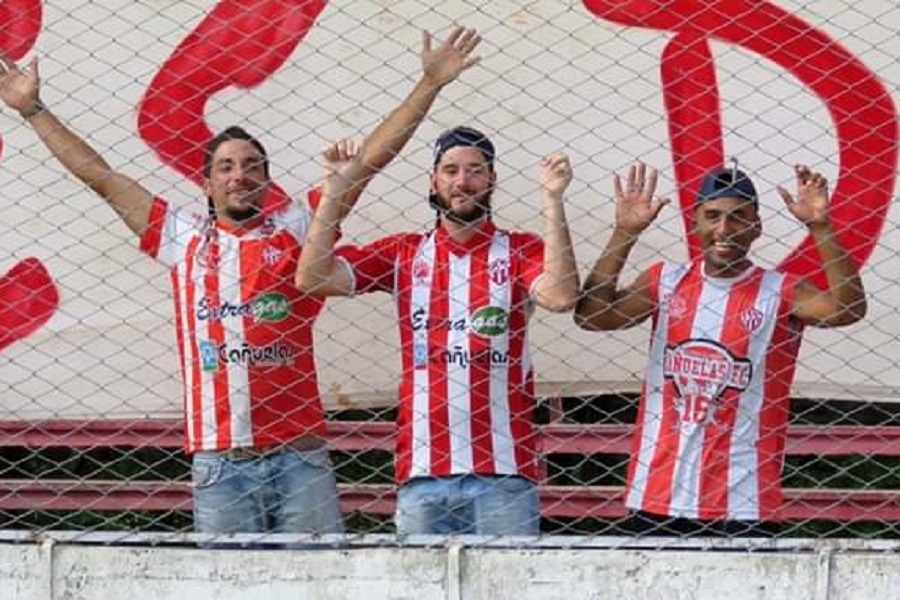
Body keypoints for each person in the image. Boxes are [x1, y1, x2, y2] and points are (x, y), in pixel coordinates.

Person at [0, 26, 482, 534]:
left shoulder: (297, 227)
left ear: (267, 179)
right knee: (226, 577)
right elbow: (101, 177)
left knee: (319, 576)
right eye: (226, 167)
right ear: (207, 182)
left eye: (252, 166)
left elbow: (368, 162)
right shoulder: (181, 237)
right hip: (220, 461)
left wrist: (429, 83)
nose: (239, 175)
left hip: (299, 457)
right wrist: (33, 110)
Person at [296, 129, 580, 536]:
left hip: (504, 472)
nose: (462, 181)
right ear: (433, 182)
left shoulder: (519, 249)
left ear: (492, 180)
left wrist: (553, 200)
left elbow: (562, 295)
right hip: (422, 473)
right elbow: (311, 277)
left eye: (475, 170)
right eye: (450, 171)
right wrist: (335, 191)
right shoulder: (405, 252)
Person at [573, 162, 867, 536]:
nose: (724, 229)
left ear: (756, 226)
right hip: (656, 493)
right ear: (695, 222)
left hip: (743, 498)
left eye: (738, 217)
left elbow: (847, 309)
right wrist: (625, 232)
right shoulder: (666, 280)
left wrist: (821, 227)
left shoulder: (780, 291)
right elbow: (592, 317)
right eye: (712, 216)